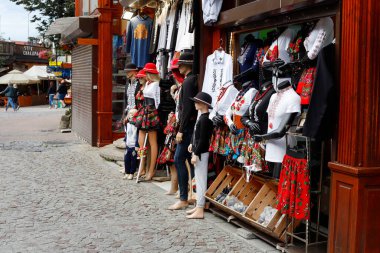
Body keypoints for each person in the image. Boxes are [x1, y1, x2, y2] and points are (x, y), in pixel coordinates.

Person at [169, 52, 199, 210]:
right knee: (190, 161)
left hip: (187, 127)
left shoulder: (188, 82)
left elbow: (187, 109)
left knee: (179, 159)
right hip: (189, 125)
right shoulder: (190, 80)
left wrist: (181, 130)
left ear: (188, 65)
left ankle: (183, 197)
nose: (178, 67)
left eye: (181, 64)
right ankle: (193, 195)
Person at [186, 92, 214, 219]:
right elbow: (198, 138)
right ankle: (198, 206)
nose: (195, 104)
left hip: (201, 153)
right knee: (198, 179)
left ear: (203, 104)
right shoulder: (203, 118)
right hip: (200, 152)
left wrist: (196, 153)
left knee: (201, 180)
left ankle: (200, 208)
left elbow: (203, 140)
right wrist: (193, 144)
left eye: (197, 102)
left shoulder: (205, 120)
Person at [133, 63, 161, 181]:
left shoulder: (155, 85)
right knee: (141, 142)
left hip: (151, 112)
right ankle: (142, 167)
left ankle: (150, 170)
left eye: (147, 73)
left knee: (152, 142)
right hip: (144, 111)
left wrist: (154, 113)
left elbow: (158, 101)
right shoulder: (148, 84)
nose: (145, 76)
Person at [123, 108, 139, 180]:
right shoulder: (127, 124)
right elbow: (127, 134)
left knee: (133, 160)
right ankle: (127, 172)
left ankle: (132, 173)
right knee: (126, 159)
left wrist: (137, 145)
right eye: (130, 114)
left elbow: (138, 136)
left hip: (133, 145)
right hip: (128, 144)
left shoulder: (136, 125)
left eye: (133, 114)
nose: (131, 115)